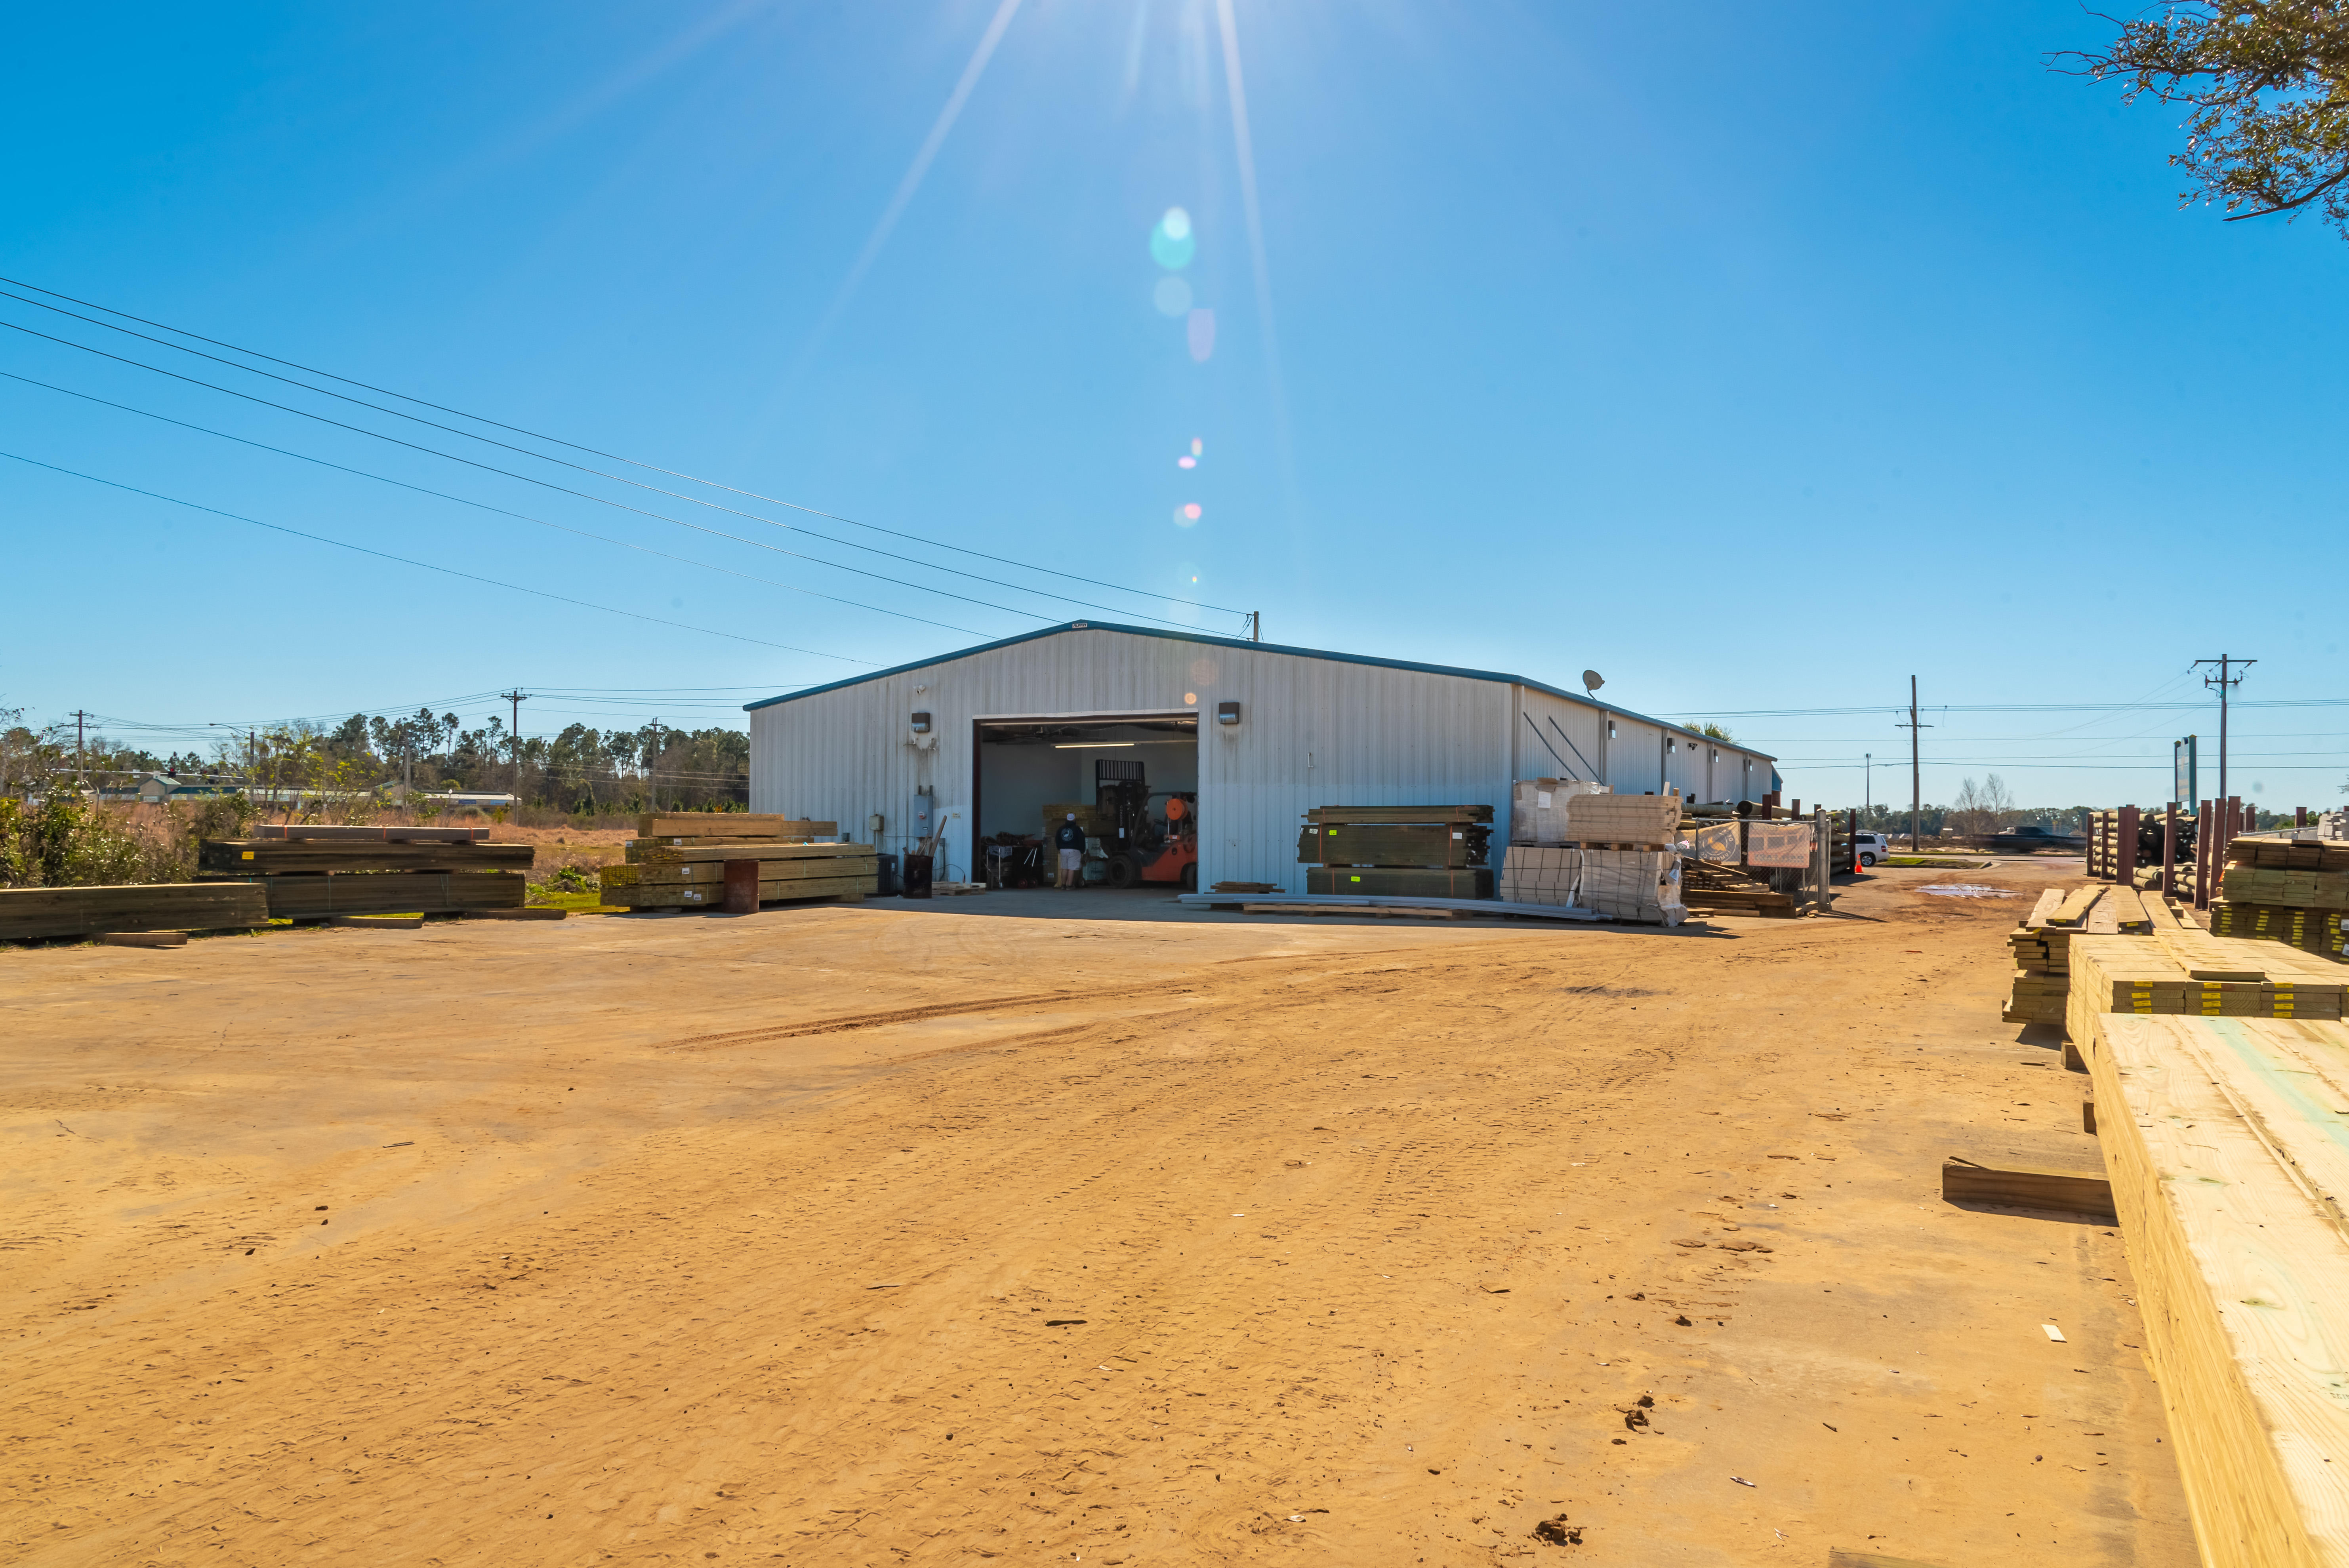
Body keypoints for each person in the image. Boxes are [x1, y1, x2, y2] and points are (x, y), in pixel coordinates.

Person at [1054, 812, 1087, 889]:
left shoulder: (1061, 829)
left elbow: (1057, 840)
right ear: (1075, 820)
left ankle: (1063, 885)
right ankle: (1069, 886)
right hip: (1074, 851)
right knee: (1071, 869)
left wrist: (1059, 848)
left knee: (1065, 868)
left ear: (1067, 819)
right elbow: (1082, 840)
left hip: (1063, 850)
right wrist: (1082, 850)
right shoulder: (1077, 829)